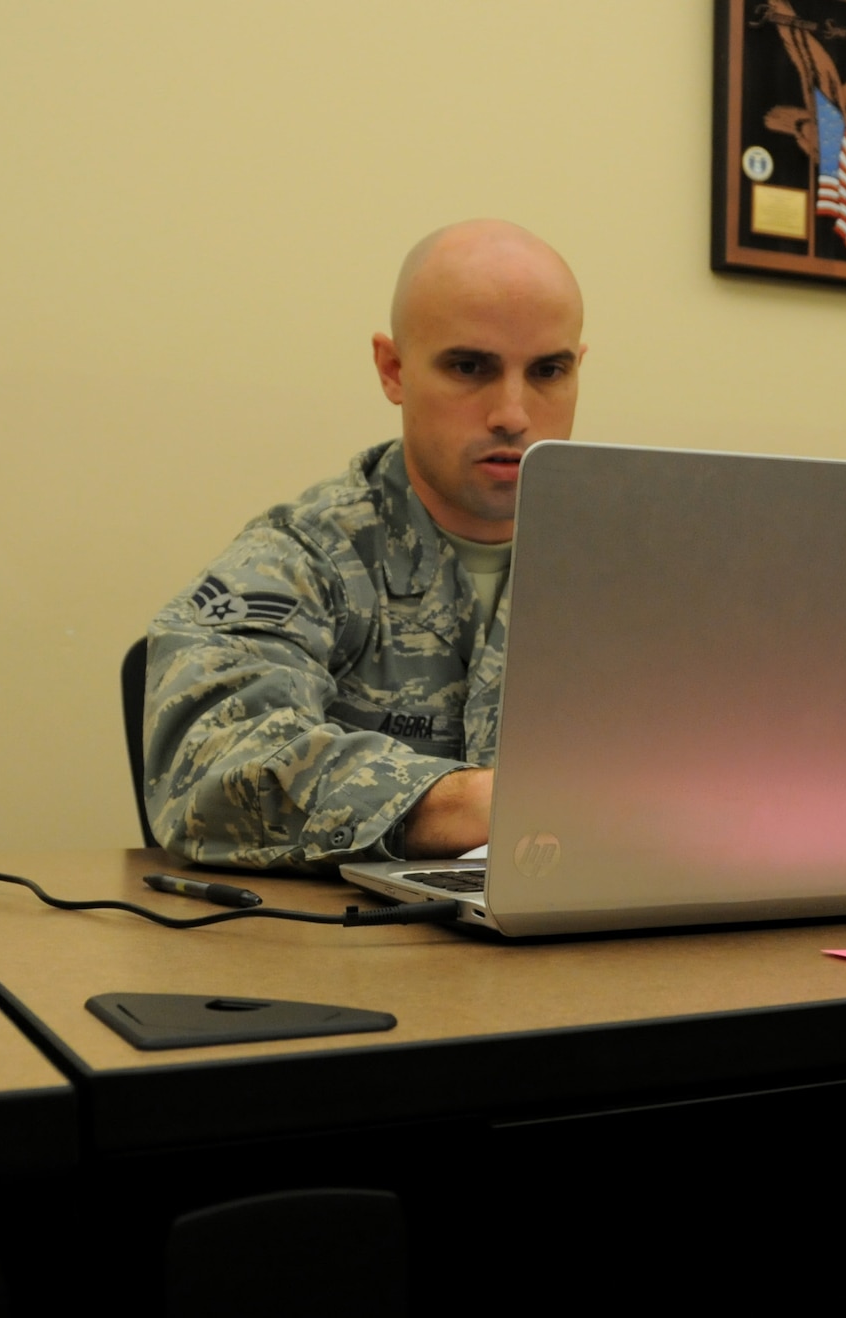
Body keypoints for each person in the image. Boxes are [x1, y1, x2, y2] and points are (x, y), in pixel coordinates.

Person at [144, 220, 587, 868]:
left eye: (549, 370)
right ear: (393, 369)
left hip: (629, 942)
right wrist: (467, 804)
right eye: (470, 367)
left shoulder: (636, 565)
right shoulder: (305, 559)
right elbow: (212, 765)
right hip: (350, 958)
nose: (513, 413)